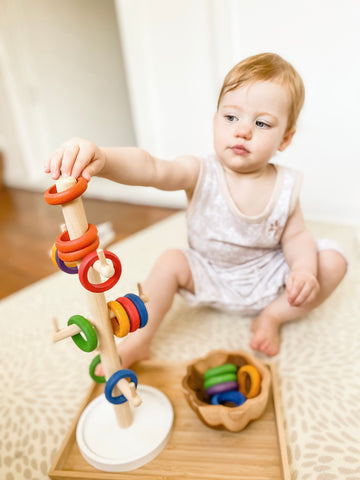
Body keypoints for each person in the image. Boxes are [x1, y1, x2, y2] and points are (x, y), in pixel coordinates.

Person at [45, 52, 347, 367]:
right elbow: (151, 168)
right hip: (209, 272)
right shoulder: (198, 171)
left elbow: (296, 235)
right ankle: (139, 340)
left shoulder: (285, 185)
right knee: (171, 261)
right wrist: (104, 159)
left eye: (261, 123)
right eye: (231, 117)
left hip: (267, 278)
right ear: (215, 121)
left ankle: (273, 316)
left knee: (333, 262)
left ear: (285, 138)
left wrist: (303, 271)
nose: (242, 131)